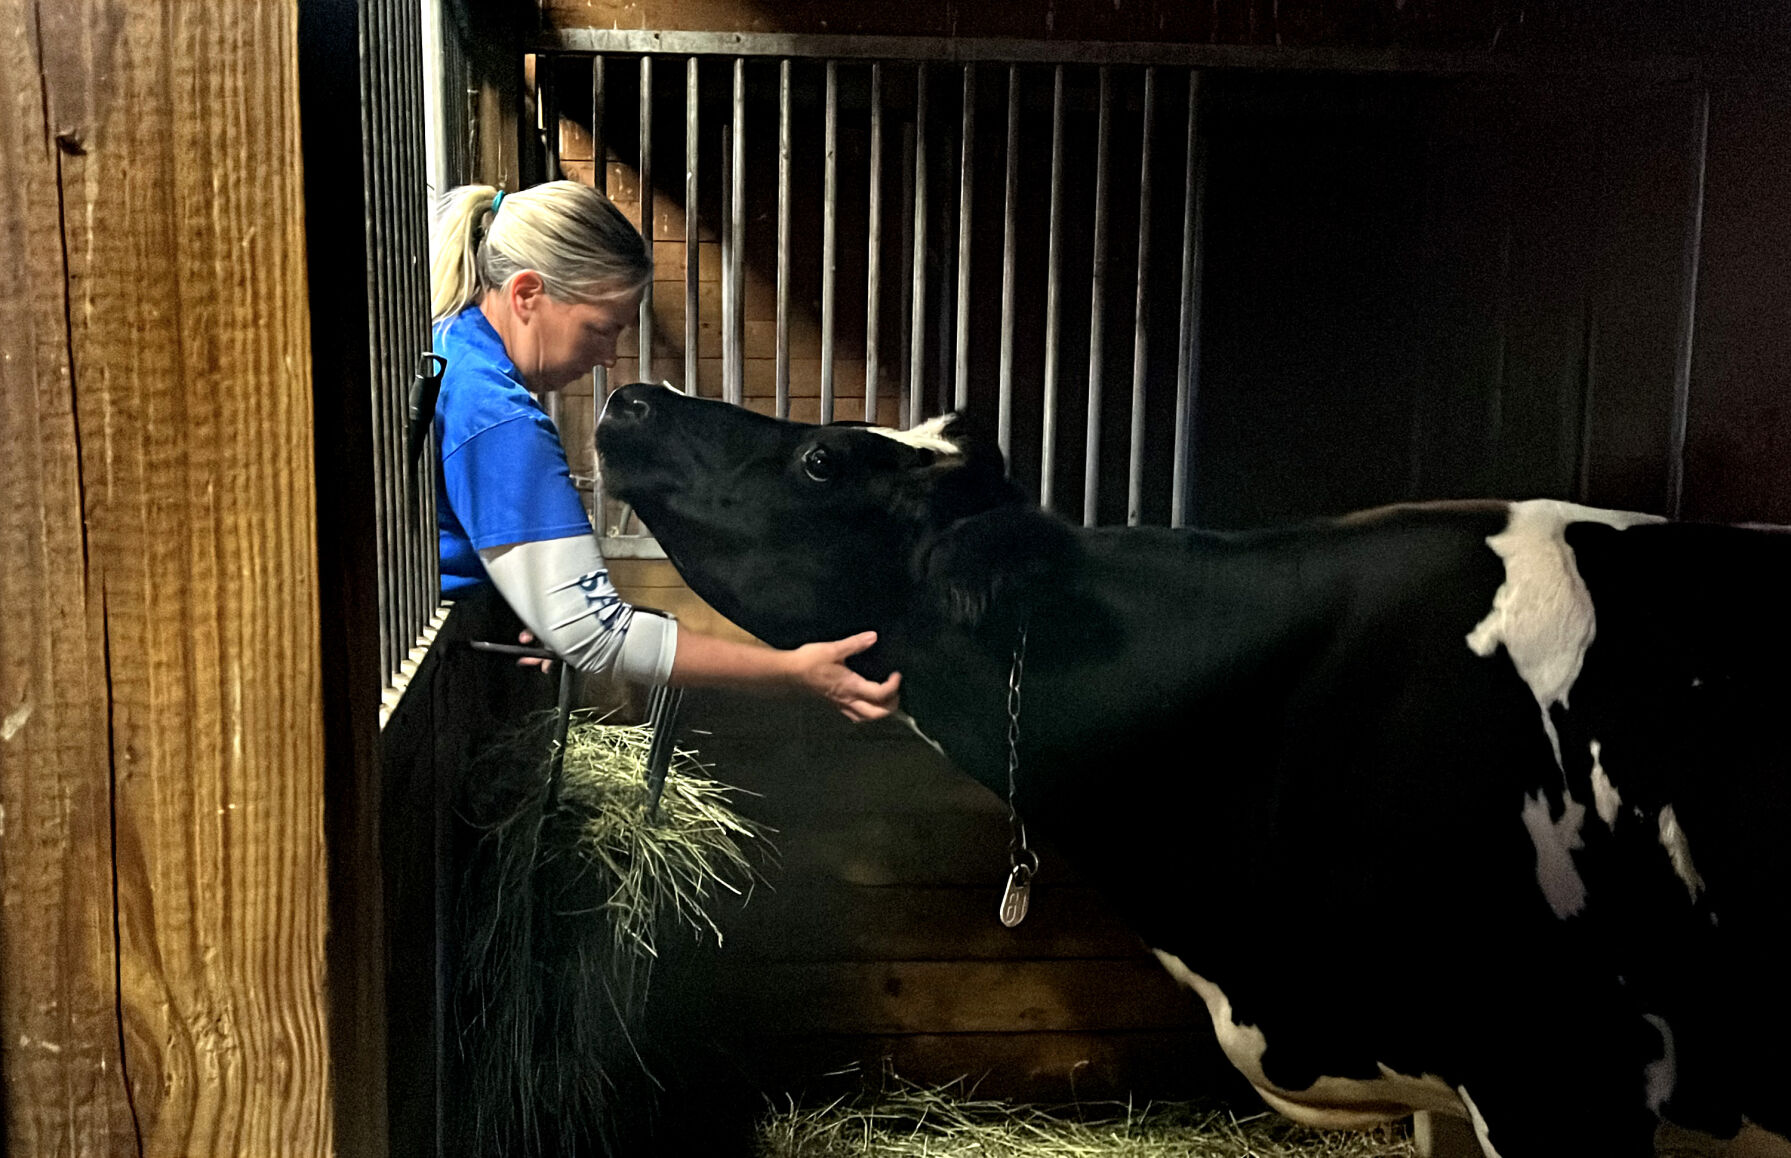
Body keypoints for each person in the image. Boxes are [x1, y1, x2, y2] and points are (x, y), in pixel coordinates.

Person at [428, 180, 899, 721]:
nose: (609, 356)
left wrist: (529, 595)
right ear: (527, 294)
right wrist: (793, 670)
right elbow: (598, 636)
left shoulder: (450, 348)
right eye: (600, 329)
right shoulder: (498, 418)